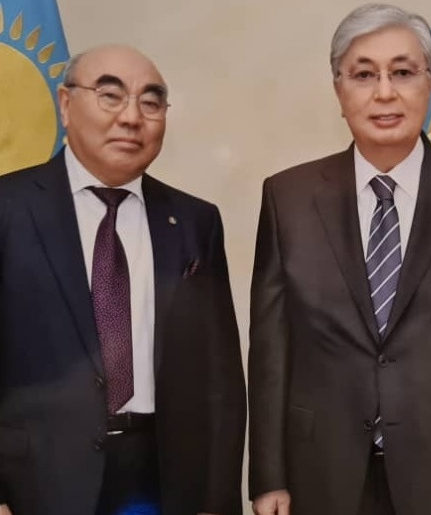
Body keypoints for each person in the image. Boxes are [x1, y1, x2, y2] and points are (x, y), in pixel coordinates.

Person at [248, 4, 431, 515]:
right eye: (364, 75)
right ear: (339, 89)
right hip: (322, 474)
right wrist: (268, 477)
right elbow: (271, 350)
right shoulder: (287, 198)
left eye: (403, 72)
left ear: (430, 82)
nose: (385, 92)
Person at [0, 45, 246, 515]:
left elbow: (220, 378)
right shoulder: (9, 209)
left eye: (151, 102)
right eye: (110, 96)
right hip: (37, 481)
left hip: (166, 478)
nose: (132, 117)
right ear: (66, 104)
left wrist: (216, 499)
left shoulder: (194, 221)